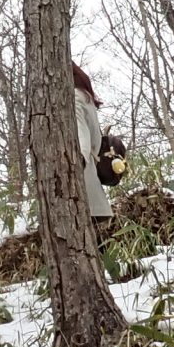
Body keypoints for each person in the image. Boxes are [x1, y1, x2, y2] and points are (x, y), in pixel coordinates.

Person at [72, 63, 116, 231]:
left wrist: (80, 161)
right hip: (91, 170)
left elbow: (82, 132)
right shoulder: (86, 97)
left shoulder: (75, 97)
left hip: (84, 174)